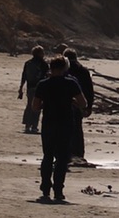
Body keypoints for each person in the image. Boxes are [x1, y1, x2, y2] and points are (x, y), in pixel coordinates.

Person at [30, 58, 87, 203]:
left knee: (47, 155)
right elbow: (83, 103)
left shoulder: (43, 84)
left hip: (49, 123)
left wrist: (45, 105)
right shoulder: (71, 83)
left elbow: (35, 107)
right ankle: (58, 190)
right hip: (66, 123)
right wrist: (71, 101)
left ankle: (45, 187)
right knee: (62, 158)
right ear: (65, 68)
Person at [62, 49, 95, 167]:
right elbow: (90, 90)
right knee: (77, 129)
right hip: (80, 104)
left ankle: (65, 153)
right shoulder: (84, 71)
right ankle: (79, 153)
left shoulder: (63, 71)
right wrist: (89, 106)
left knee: (64, 130)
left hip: (64, 105)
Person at [16, 45, 47, 134]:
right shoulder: (43, 64)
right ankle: (34, 126)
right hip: (40, 88)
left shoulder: (28, 63)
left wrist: (21, 88)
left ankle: (27, 125)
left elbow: (24, 76)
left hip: (30, 87)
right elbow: (47, 76)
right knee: (38, 106)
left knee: (29, 105)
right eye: (42, 52)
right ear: (40, 53)